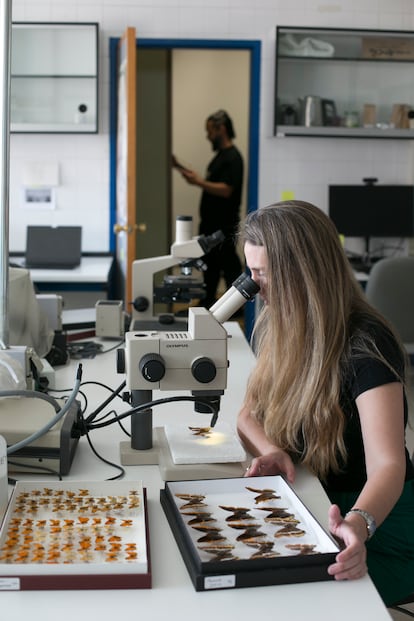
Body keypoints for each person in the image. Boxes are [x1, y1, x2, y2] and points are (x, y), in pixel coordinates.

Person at [237, 200, 414, 607]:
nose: (253, 287)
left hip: (374, 520)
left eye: (262, 274)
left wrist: (359, 524)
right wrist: (273, 450)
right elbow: (248, 415)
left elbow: (388, 465)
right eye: (250, 272)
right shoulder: (280, 323)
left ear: (302, 273)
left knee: (295, 602)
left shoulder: (366, 344)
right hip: (316, 503)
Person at [177, 110, 243, 308]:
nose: (208, 136)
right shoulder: (220, 157)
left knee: (229, 266)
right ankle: (208, 303)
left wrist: (198, 182)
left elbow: (227, 190)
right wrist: (182, 169)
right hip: (211, 223)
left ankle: (237, 308)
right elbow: (210, 183)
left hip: (223, 224)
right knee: (211, 266)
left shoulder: (233, 158)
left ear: (221, 128)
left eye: (209, 131)